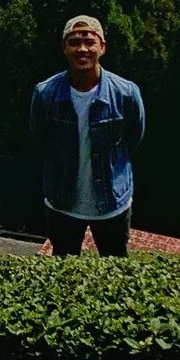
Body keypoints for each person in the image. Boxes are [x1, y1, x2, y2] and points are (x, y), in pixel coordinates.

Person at [29, 14, 145, 257]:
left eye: (90, 42)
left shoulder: (126, 94)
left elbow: (133, 140)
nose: (82, 49)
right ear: (64, 49)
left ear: (102, 47)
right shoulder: (45, 93)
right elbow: (41, 139)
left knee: (115, 272)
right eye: (74, 42)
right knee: (63, 272)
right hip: (62, 202)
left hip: (113, 202)